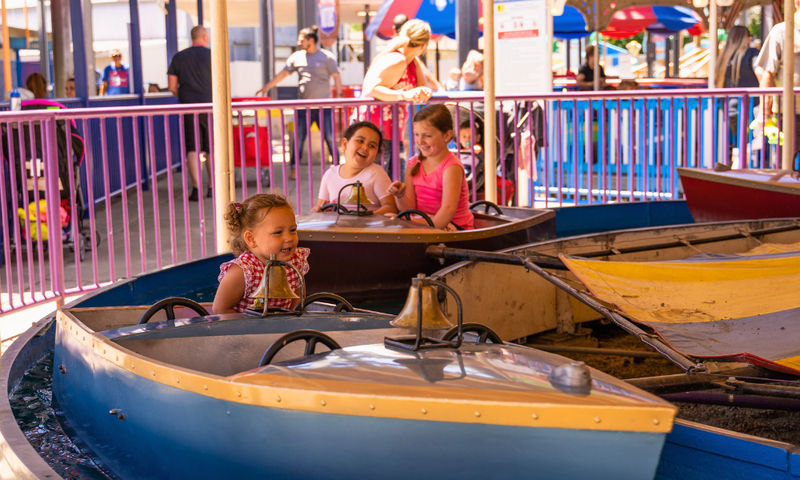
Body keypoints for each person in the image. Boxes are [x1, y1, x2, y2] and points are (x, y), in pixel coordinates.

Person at [256, 25, 341, 174]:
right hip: (303, 107)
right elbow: (283, 74)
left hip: (324, 107)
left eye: (301, 40)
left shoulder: (327, 57)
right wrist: (267, 87)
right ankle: (294, 168)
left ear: (311, 40)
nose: (298, 43)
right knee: (298, 138)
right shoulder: (297, 57)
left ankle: (338, 168)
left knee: (329, 137)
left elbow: (336, 76)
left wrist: (339, 97)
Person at [358, 19, 434, 177]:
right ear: (424, 45)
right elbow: (371, 89)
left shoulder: (410, 61)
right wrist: (403, 95)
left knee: (394, 181)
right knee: (377, 181)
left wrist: (424, 91)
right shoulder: (397, 60)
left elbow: (424, 87)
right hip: (375, 130)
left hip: (389, 131)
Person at [213, 193, 310, 313]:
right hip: (248, 324)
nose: (289, 238)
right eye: (278, 232)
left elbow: (297, 303)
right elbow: (220, 309)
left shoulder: (295, 263)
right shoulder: (243, 271)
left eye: (292, 230)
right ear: (251, 239)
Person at [388, 104, 474, 230]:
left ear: (447, 136)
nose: (420, 141)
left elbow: (447, 212)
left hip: (454, 227)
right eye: (417, 134)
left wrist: (411, 223)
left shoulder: (451, 167)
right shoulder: (414, 163)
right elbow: (409, 209)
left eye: (427, 136)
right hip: (427, 224)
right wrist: (400, 195)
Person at [312, 121, 397, 215]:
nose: (365, 148)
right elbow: (320, 207)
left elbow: (391, 207)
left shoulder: (376, 173)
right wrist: (317, 210)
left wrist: (366, 217)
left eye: (372, 146)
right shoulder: (330, 175)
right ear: (344, 144)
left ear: (376, 154)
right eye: (360, 141)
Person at [168, 25, 213, 202]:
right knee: (211, 148)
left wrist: (184, 96)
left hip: (189, 108)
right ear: (205, 37)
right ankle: (212, 187)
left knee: (193, 148)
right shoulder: (213, 55)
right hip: (211, 107)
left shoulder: (179, 57)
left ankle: (196, 189)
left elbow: (172, 86)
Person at [754, 2, 800, 158]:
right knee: (785, 161)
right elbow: (767, 73)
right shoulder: (782, 31)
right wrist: (764, 111)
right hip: (789, 112)